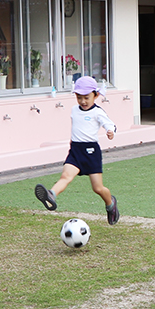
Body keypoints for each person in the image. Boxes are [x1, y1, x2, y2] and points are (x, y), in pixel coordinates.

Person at [34, 75, 120, 224]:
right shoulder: (74, 109)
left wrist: (110, 131)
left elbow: (110, 124)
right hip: (75, 150)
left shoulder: (97, 112)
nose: (82, 101)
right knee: (65, 176)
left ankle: (110, 204)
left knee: (98, 188)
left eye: (86, 97)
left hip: (91, 152)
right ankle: (51, 195)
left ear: (96, 95)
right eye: (79, 97)